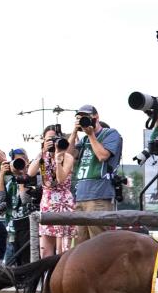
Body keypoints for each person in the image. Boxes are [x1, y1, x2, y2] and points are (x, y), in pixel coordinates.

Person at [68, 105, 124, 241]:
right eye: (80, 118)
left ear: (96, 117)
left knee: (98, 244)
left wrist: (91, 134)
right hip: (81, 196)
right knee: (81, 244)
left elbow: (102, 156)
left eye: (86, 117)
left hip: (99, 196)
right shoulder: (84, 139)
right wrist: (74, 132)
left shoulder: (111, 133)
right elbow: (68, 156)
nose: (84, 121)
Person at [28, 126, 76, 256]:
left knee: (62, 249)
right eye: (49, 139)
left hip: (63, 202)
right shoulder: (43, 158)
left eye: (54, 139)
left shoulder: (67, 157)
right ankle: (46, 275)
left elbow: (60, 179)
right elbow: (30, 172)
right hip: (47, 202)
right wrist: (42, 152)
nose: (52, 142)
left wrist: (58, 160)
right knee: (45, 250)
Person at [0, 147, 35, 265]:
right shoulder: (10, 183)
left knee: (25, 264)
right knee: (8, 268)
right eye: (16, 162)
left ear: (28, 161)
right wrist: (2, 173)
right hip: (12, 232)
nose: (19, 164)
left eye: (22, 160)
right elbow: (0, 197)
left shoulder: (32, 179)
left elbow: (24, 199)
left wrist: (22, 176)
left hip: (26, 231)